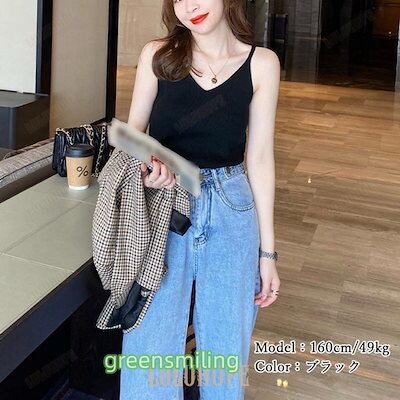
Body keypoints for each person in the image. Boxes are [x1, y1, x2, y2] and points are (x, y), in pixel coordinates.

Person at [119, 0, 281, 399]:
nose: (189, 6)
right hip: (165, 206)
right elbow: (130, 137)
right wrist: (150, 166)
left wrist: (268, 254)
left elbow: (260, 159)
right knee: (149, 344)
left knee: (226, 351)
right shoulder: (157, 56)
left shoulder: (262, 64)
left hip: (231, 206)